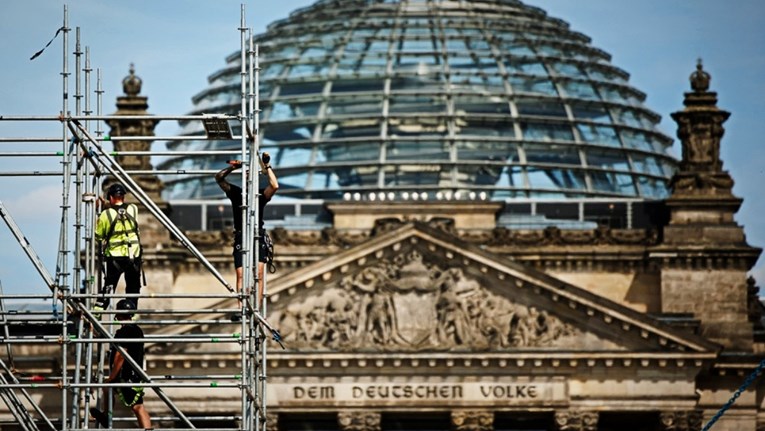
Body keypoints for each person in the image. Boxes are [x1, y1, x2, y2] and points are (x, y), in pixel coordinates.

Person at [215, 152, 279, 321]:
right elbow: (219, 178)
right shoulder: (236, 193)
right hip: (241, 237)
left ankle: (256, 309)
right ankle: (242, 308)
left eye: (252, 175)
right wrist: (232, 168)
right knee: (241, 274)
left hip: (257, 237)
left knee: (258, 272)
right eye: (247, 174)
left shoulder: (260, 195)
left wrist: (267, 167)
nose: (249, 177)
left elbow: (275, 185)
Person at [90, 299, 152, 429]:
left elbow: (120, 356)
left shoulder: (124, 332)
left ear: (118, 315)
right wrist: (92, 328)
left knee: (136, 406)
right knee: (135, 405)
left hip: (127, 376)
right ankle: (107, 416)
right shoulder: (136, 330)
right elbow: (108, 339)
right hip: (135, 375)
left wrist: (112, 376)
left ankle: (107, 417)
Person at [94, 183, 143, 312]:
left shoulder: (105, 215)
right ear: (123, 197)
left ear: (110, 197)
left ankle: (98, 311)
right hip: (133, 255)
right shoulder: (133, 208)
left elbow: (98, 236)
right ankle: (131, 313)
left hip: (115, 257)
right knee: (133, 287)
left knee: (109, 286)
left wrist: (100, 210)